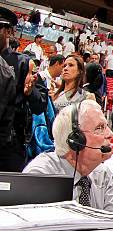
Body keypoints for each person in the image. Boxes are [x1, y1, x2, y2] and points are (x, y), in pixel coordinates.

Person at [23, 100, 113, 213]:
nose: (110, 134)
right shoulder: (41, 175)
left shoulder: (102, 173)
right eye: (100, 128)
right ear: (76, 140)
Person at [0, 7, 47, 171]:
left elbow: (40, 105)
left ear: (8, 32)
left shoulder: (24, 63)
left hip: (8, 145)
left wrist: (29, 92)